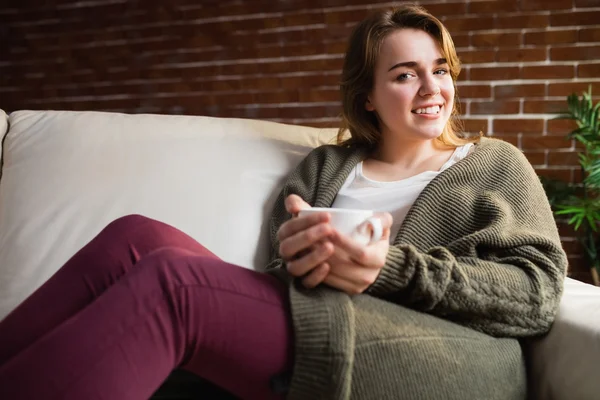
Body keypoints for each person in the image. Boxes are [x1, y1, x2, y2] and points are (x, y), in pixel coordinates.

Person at [0, 4, 567, 400]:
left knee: (174, 283)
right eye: (404, 75)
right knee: (136, 238)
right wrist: (305, 259)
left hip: (450, 358)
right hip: (326, 319)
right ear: (368, 97)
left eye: (439, 70)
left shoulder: (494, 162)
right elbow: (279, 273)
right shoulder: (323, 167)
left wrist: (385, 269)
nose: (431, 88)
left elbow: (537, 294)